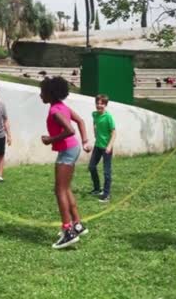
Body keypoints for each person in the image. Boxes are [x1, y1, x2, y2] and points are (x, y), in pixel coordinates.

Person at [39, 76, 91, 249]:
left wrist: (50, 139)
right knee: (66, 188)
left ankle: (68, 231)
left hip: (67, 151)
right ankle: (77, 224)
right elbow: (81, 121)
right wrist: (84, 141)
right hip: (72, 148)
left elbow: (70, 129)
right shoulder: (63, 107)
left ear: (50, 93)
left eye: (42, 92)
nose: (40, 95)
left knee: (59, 189)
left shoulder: (55, 110)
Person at [88, 94, 117, 203]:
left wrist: (109, 146)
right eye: (98, 103)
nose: (99, 105)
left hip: (106, 148)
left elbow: (114, 132)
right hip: (97, 146)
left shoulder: (108, 117)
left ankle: (106, 194)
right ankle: (96, 189)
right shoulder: (94, 114)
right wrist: (95, 131)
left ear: (105, 105)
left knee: (106, 171)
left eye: (102, 104)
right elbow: (95, 122)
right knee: (91, 167)